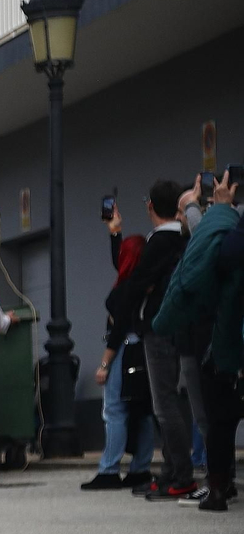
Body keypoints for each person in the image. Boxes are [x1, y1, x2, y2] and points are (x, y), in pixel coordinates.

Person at [155, 171, 244, 511]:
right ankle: (219, 487)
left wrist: (210, 209)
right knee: (215, 419)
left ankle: (218, 489)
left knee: (217, 419)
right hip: (220, 338)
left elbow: (221, 251)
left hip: (220, 338)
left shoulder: (224, 225)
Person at [108, 180, 197, 499]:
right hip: (179, 327)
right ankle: (171, 471)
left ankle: (180, 474)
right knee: (170, 400)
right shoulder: (184, 238)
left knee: (164, 405)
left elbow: (134, 284)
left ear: (150, 207)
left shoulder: (159, 241)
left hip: (157, 329)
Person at [83, 203, 157, 490]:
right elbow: (124, 260)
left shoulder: (126, 288)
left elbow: (118, 329)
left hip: (125, 349)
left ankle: (109, 469)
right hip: (144, 348)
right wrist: (115, 231)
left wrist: (103, 364)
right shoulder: (146, 280)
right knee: (143, 409)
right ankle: (140, 468)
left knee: (114, 410)